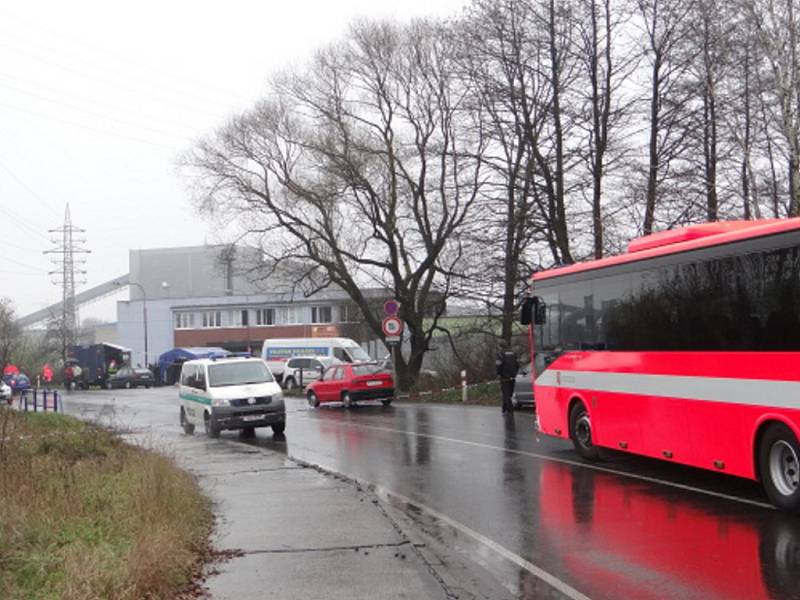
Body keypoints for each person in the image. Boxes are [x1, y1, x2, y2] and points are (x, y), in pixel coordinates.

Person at [496, 343, 519, 414]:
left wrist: (498, 373)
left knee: (506, 394)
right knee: (510, 393)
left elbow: (498, 365)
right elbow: (517, 364)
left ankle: (510, 409)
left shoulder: (500, 354)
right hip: (513, 376)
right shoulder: (513, 353)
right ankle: (504, 408)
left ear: (500, 347)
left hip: (504, 377)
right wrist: (515, 373)